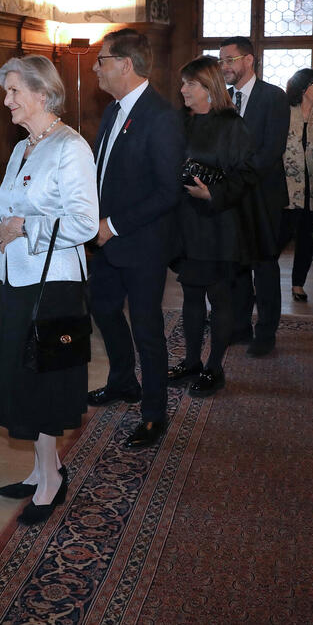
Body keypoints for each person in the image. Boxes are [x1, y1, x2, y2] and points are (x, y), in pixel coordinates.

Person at [0, 55, 97, 525]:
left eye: (14, 91)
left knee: (45, 379)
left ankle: (51, 479)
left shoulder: (71, 148)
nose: (6, 100)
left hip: (53, 285)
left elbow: (85, 223)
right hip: (17, 280)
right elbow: (0, 219)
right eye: (7, 91)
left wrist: (24, 225)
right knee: (23, 376)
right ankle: (42, 468)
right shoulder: (23, 148)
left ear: (42, 93)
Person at [85, 29, 185, 449]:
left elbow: (167, 191)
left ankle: (153, 413)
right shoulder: (112, 111)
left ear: (125, 64)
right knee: (103, 309)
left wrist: (114, 225)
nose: (96, 67)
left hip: (140, 243)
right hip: (103, 240)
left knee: (146, 328)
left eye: (102, 60)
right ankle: (122, 380)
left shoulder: (161, 116)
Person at [168, 56, 260, 397]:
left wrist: (213, 192)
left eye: (190, 84)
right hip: (185, 222)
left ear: (209, 88)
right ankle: (192, 361)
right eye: (183, 84)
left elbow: (248, 175)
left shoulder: (231, 124)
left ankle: (214, 367)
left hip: (218, 223)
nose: (183, 90)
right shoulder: (181, 121)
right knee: (190, 294)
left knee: (219, 297)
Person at [219, 36, 290, 358]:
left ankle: (266, 332)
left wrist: (236, 182)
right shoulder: (221, 99)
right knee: (235, 265)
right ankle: (239, 326)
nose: (224, 67)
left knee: (263, 266)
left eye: (229, 60)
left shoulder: (273, 97)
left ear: (248, 60)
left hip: (262, 196)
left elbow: (270, 151)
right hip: (231, 197)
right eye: (221, 61)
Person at [279, 68, 313, 303]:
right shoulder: (282, 113)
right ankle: (260, 278)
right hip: (285, 188)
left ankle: (298, 284)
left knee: (306, 239)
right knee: (278, 237)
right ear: (303, 87)